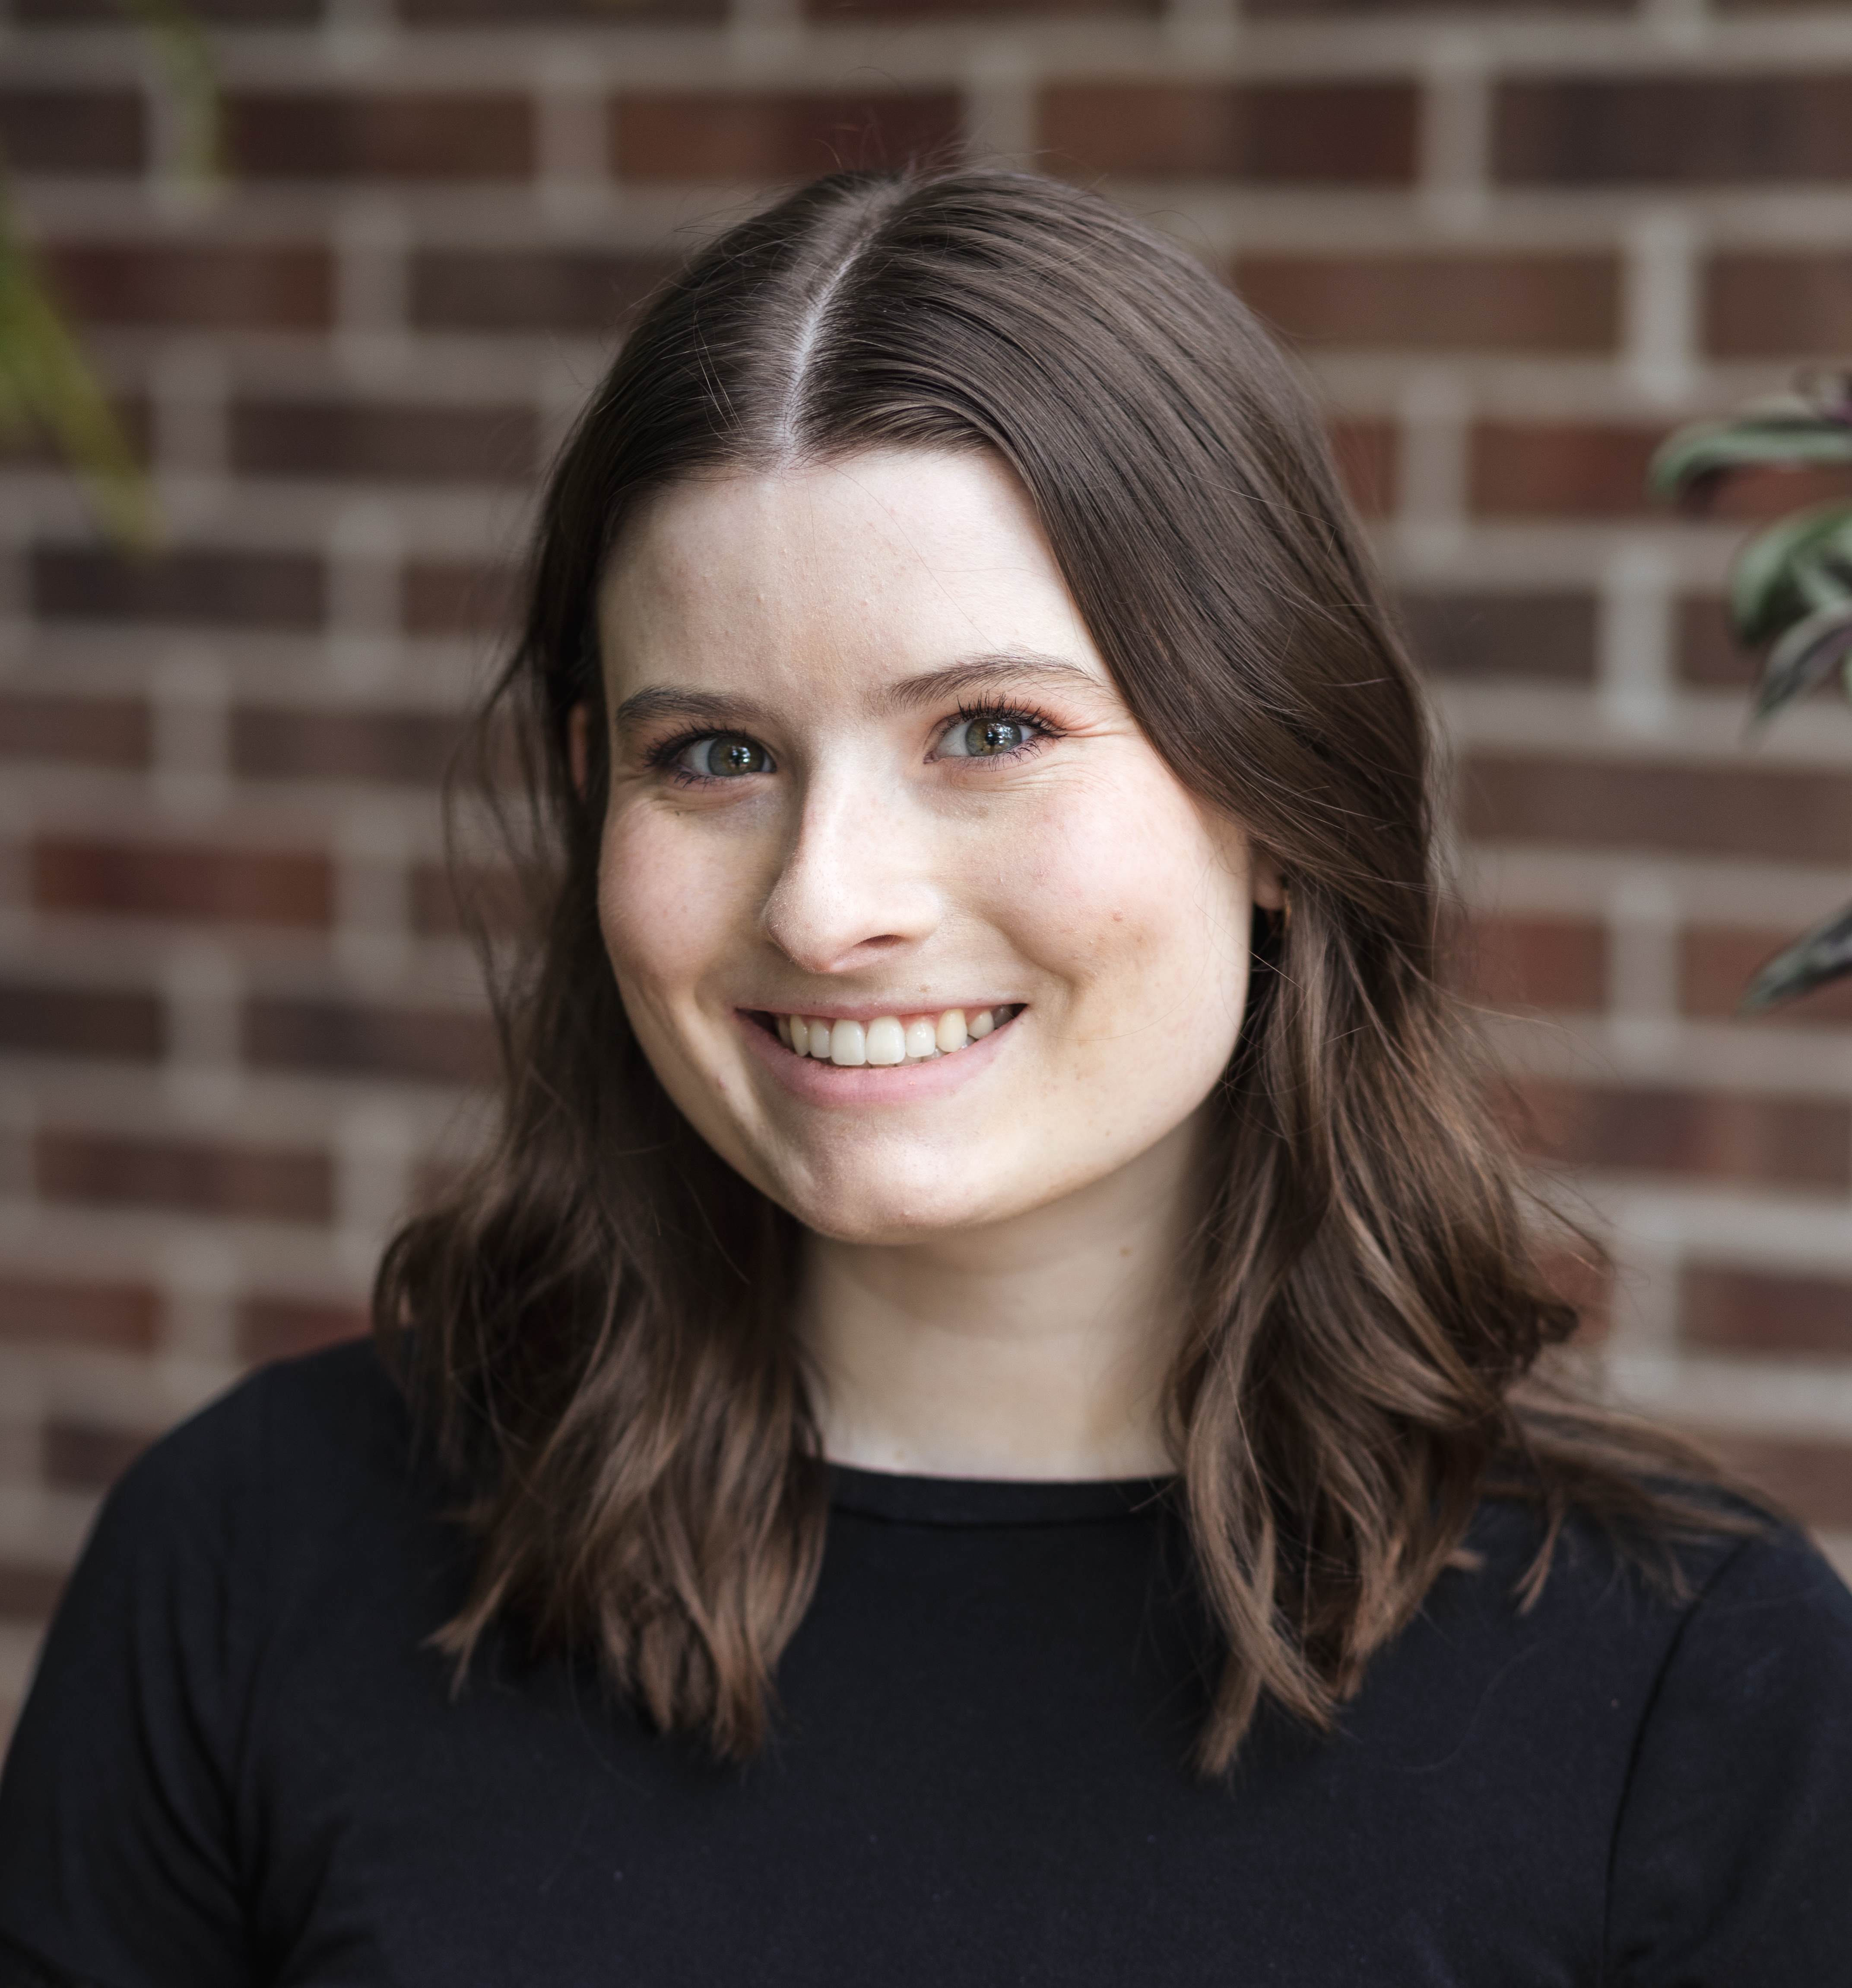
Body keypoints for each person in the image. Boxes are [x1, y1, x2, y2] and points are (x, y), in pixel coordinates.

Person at [1, 166, 1849, 1988]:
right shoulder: (258, 1557)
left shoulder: (1689, 1690)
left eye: (988, 731)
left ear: (1276, 794)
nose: (825, 903)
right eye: (715, 751)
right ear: (590, 791)